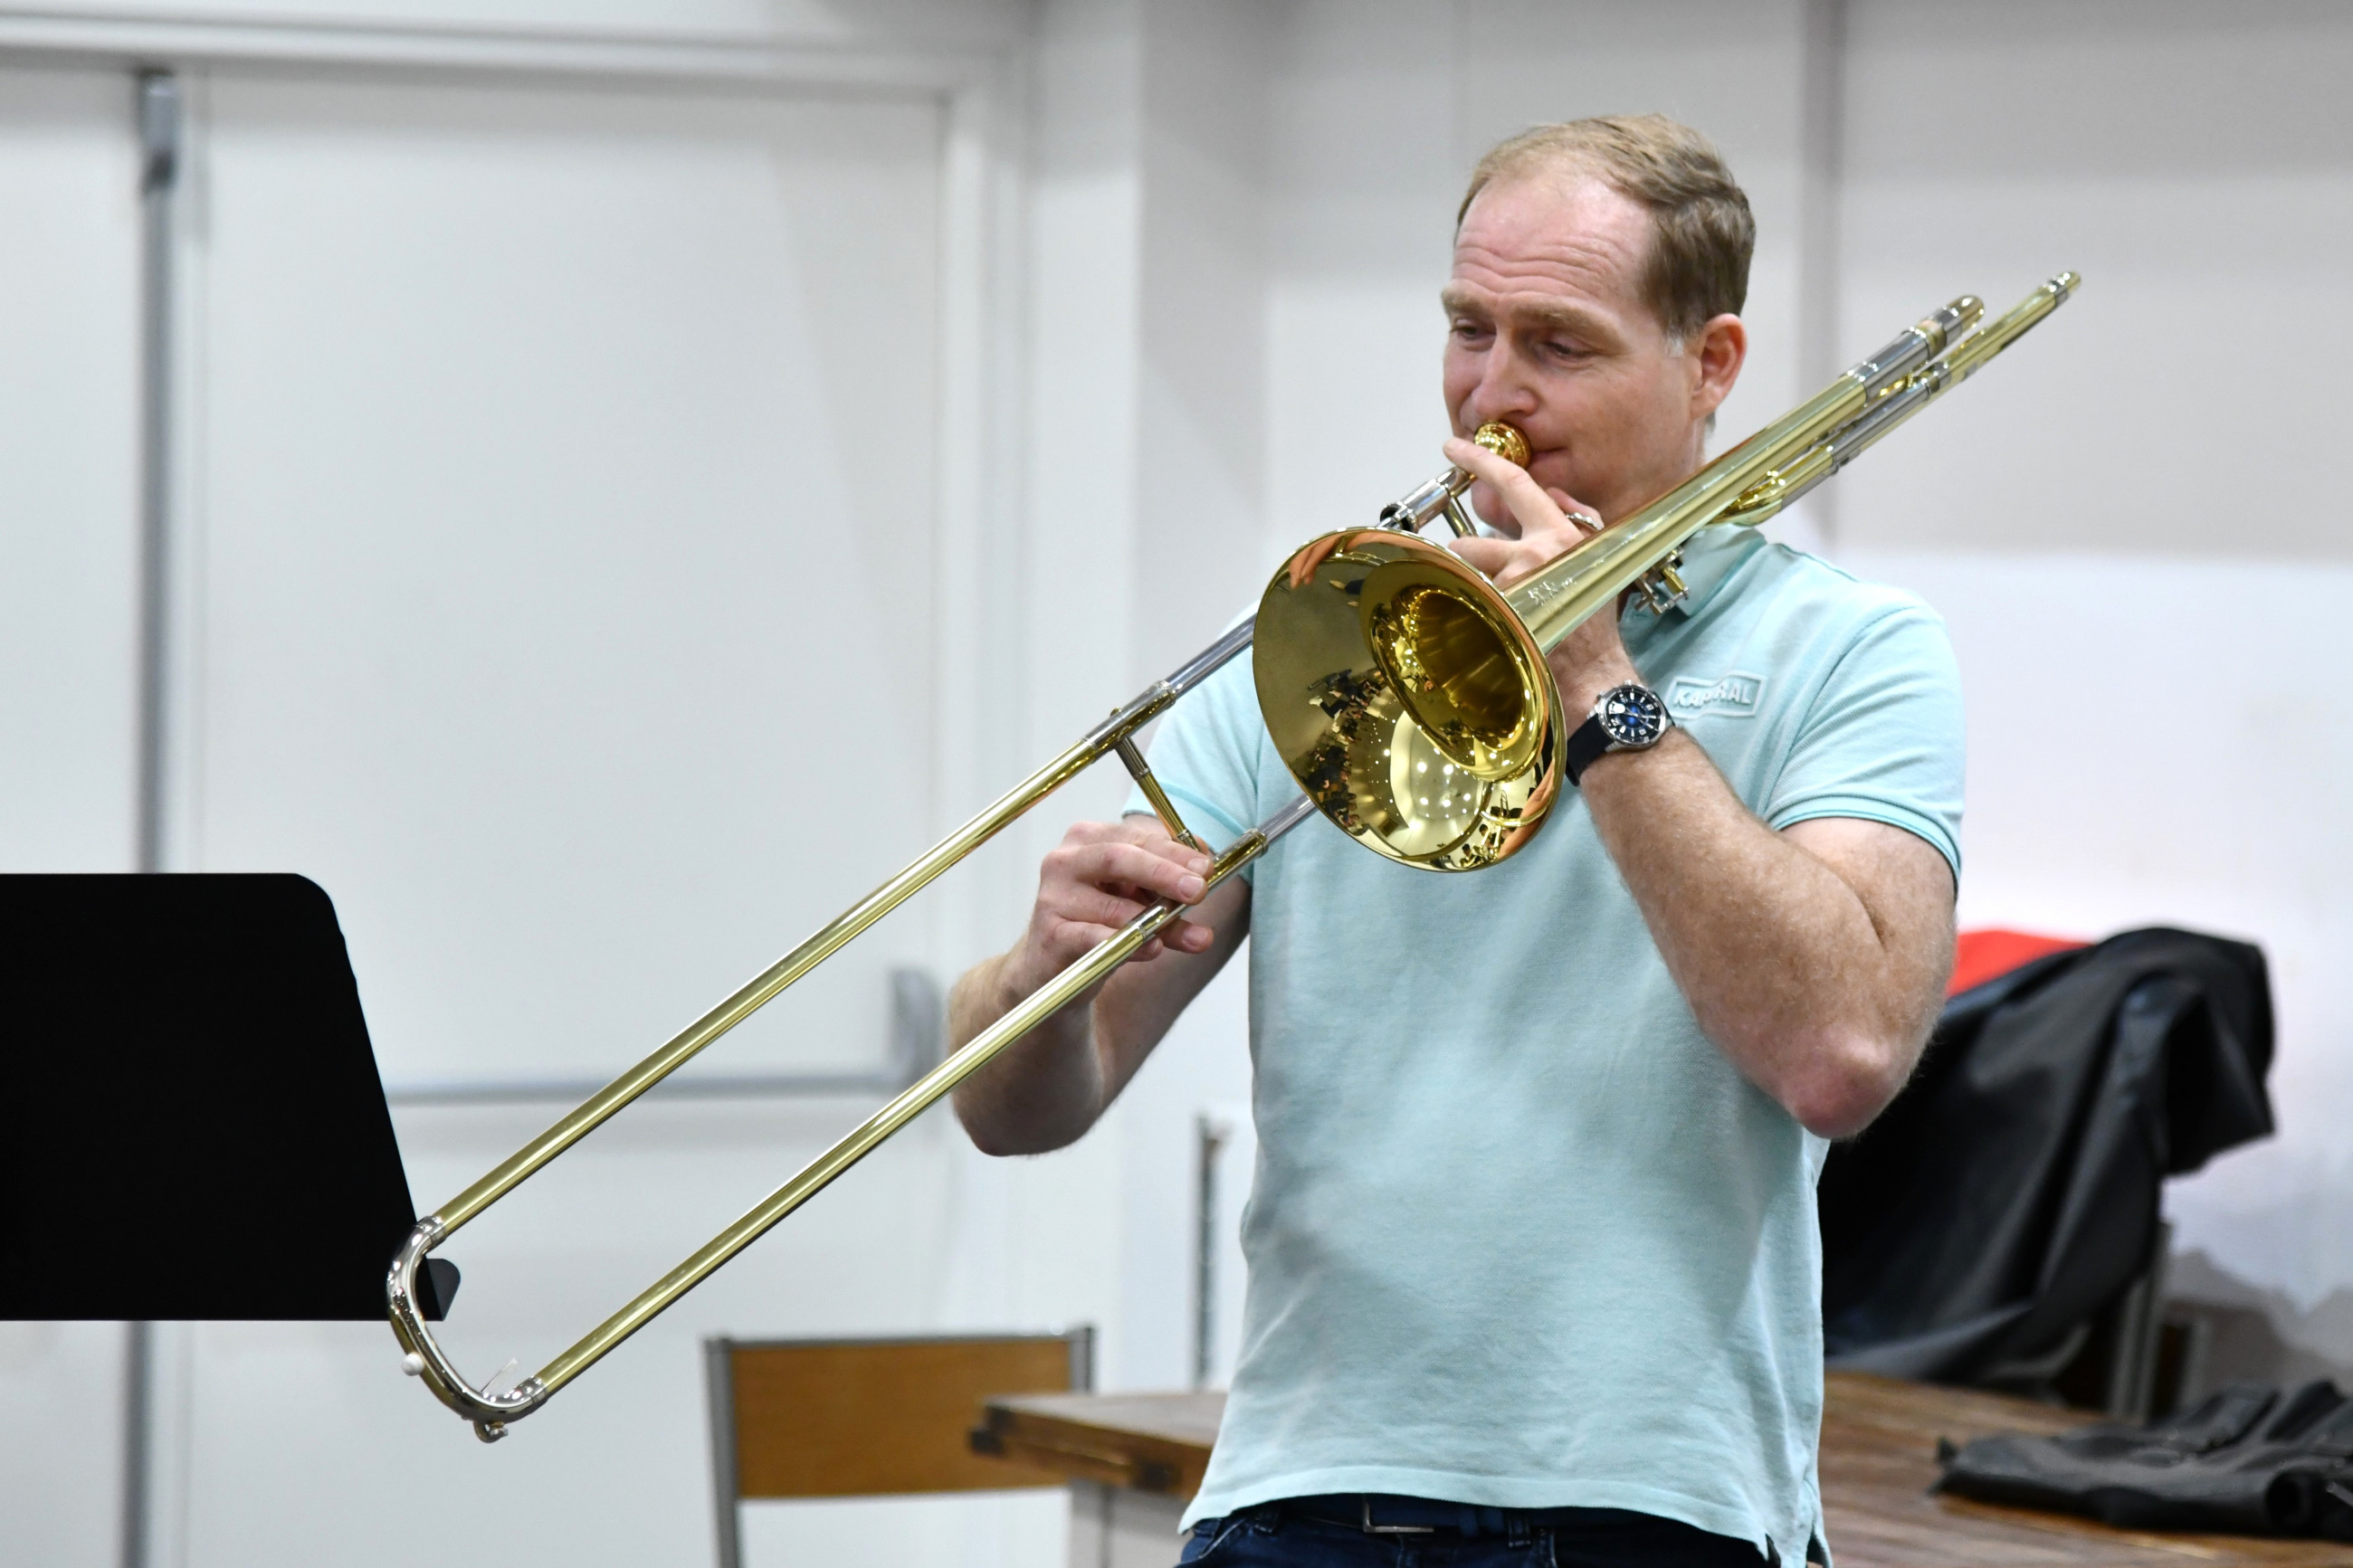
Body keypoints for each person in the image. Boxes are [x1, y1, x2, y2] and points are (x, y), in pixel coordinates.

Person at [948, 115, 1963, 1568]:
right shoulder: (1328, 636)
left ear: (1711, 364)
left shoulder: (1854, 650)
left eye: (1559, 343)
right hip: (1306, 1486)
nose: (1492, 393)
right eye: (1468, 328)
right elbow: (1019, 1111)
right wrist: (1038, 979)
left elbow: (1842, 1056)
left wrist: (1597, 682)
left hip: (1654, 1504)